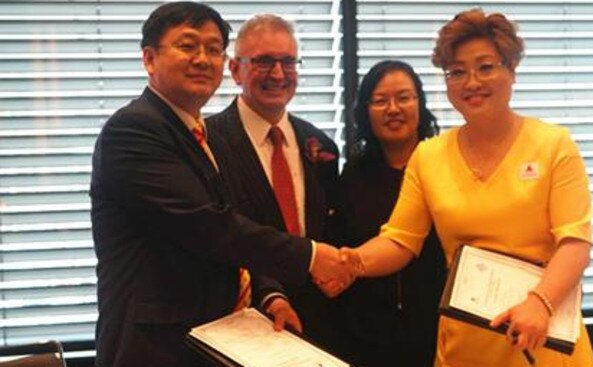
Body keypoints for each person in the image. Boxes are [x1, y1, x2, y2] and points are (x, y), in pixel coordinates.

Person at [90, 3, 352, 367]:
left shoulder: (200, 136)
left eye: (213, 49)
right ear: (149, 59)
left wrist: (269, 294)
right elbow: (208, 226)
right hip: (155, 348)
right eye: (188, 46)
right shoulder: (134, 130)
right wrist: (311, 256)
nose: (203, 59)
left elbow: (233, 226)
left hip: (219, 339)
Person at [339, 8, 593, 366]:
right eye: (456, 72)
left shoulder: (554, 145)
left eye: (486, 67)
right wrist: (348, 262)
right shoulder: (428, 156)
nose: (471, 82)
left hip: (540, 331)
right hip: (466, 343)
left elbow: (575, 243)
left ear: (511, 70)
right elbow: (399, 240)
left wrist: (540, 302)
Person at [205, 14, 343, 352]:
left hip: (319, 325)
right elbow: (219, 236)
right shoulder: (208, 143)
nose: (279, 74)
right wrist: (271, 295)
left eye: (288, 62)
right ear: (235, 70)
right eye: (264, 61)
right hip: (243, 324)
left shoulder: (320, 145)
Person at [334, 60, 447, 367]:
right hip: (367, 332)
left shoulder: (446, 166)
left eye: (404, 98)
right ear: (365, 111)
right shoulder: (353, 174)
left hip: (438, 326)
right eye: (380, 101)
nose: (393, 109)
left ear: (420, 105)